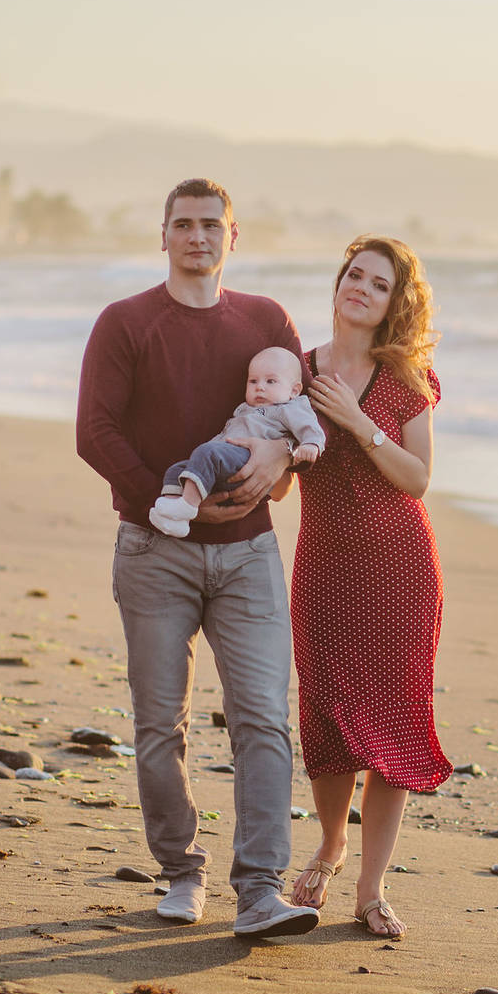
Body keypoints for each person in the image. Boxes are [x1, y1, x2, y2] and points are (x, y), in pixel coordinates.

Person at [75, 177, 320, 938]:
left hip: (249, 554)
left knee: (263, 722)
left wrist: (280, 462)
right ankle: (182, 871)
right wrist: (167, 495)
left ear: (233, 237)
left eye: (212, 225)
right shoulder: (125, 322)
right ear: (163, 236)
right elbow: (95, 431)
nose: (197, 236)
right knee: (158, 727)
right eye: (182, 224)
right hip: (155, 550)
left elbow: (297, 420)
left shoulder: (266, 320)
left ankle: (260, 892)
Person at [287, 234, 449, 939]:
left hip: (400, 571)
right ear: (338, 285)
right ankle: (329, 842)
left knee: (395, 725)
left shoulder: (407, 379)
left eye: (377, 284)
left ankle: (371, 888)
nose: (360, 288)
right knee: (326, 717)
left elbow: (418, 480)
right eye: (353, 275)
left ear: (393, 304)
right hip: (323, 568)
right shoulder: (294, 371)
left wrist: (356, 423)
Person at [149, 346, 323, 538]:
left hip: (251, 460)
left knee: (206, 452)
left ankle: (188, 506)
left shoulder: (289, 408)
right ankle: (172, 514)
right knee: (178, 470)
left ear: (294, 390)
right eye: (253, 381)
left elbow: (311, 428)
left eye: (271, 381)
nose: (260, 387)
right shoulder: (245, 409)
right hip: (226, 459)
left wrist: (311, 445)